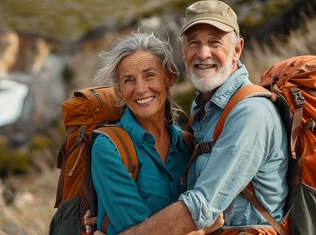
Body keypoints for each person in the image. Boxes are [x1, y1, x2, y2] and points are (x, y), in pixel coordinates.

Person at [90, 0, 289, 235]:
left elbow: (201, 207)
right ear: (183, 50)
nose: (203, 53)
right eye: (194, 42)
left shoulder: (250, 114)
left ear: (237, 49)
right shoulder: (202, 116)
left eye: (215, 42)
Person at [89, 31, 223, 235]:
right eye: (128, 80)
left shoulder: (188, 146)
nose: (141, 89)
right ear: (119, 91)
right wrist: (201, 231)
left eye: (149, 75)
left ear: (169, 78)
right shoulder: (109, 148)